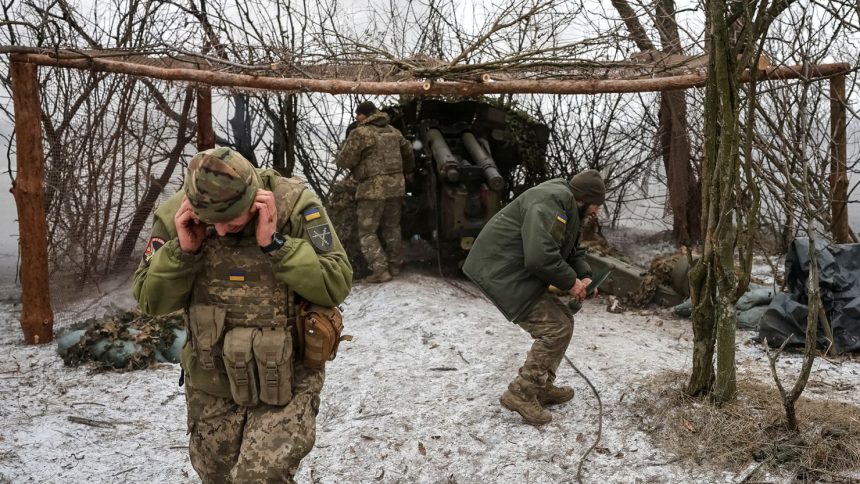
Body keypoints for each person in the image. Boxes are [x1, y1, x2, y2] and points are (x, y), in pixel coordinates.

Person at [133, 147, 352, 483]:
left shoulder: (295, 205)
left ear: (256, 200)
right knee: (215, 475)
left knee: (257, 477)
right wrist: (183, 252)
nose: (220, 232)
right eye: (212, 224)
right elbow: (150, 300)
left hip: (288, 378)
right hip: (212, 378)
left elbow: (336, 283)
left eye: (232, 222)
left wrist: (277, 245)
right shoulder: (177, 214)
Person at [462, 169, 606, 426]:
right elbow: (540, 256)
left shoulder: (566, 205)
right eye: (596, 205)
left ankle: (540, 386)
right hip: (501, 270)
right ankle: (521, 393)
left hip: (514, 269)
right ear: (584, 199)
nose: (596, 211)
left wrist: (583, 277)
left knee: (563, 320)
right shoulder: (550, 203)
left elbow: (572, 250)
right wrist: (570, 283)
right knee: (555, 327)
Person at [335, 100, 414, 283]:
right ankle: (395, 266)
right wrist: (407, 171)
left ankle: (380, 270)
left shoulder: (360, 133)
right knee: (392, 227)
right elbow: (408, 151)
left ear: (365, 115)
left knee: (367, 231)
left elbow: (344, 160)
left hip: (373, 189)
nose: (356, 117)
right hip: (396, 186)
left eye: (358, 114)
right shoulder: (393, 131)